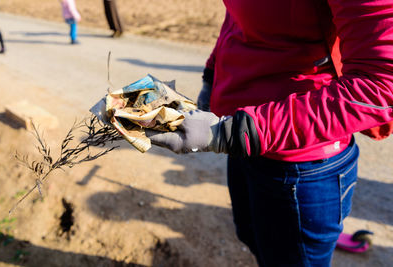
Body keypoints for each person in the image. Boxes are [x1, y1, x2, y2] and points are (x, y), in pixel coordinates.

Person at [145, 0, 393, 266]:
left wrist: (235, 132)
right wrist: (211, 74)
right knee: (253, 237)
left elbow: (381, 86)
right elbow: (237, 18)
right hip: (242, 138)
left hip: (300, 163)